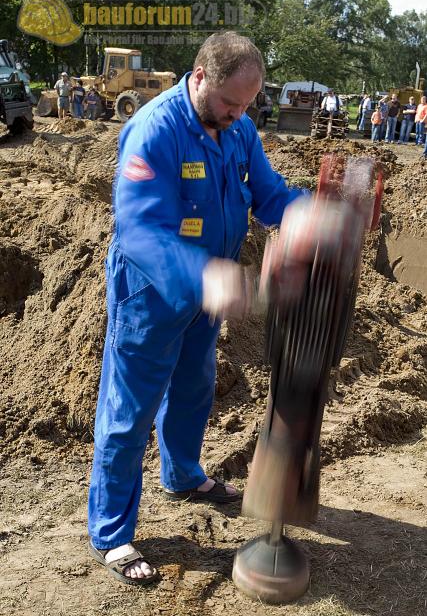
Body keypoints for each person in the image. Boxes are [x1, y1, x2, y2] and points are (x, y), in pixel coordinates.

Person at [87, 31, 340, 586]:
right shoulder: (154, 131)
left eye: (247, 105)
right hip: (152, 292)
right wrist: (206, 276)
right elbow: (140, 232)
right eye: (230, 102)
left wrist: (311, 213)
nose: (238, 114)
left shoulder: (240, 130)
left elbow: (269, 193)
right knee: (129, 410)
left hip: (209, 293)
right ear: (200, 77)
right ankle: (112, 533)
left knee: (195, 387)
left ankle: (181, 475)